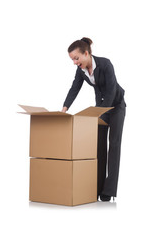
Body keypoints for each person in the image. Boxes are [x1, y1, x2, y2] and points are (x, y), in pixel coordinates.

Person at [62, 37, 126, 202]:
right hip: (100, 108)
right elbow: (74, 88)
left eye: (76, 58)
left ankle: (109, 190)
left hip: (116, 106)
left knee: (114, 145)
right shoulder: (81, 71)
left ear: (86, 53)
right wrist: (64, 108)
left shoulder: (105, 64)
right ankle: (97, 187)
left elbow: (112, 91)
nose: (75, 62)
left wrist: (101, 113)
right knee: (98, 147)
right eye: (72, 60)